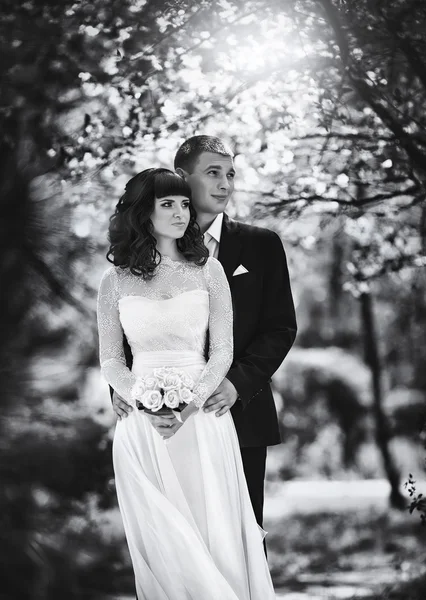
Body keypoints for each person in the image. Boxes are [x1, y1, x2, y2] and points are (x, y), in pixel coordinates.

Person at [97, 168, 275, 599]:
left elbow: (223, 351)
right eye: (167, 204)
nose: (181, 212)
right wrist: (143, 401)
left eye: (182, 203)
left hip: (203, 421)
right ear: (143, 213)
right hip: (143, 430)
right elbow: (111, 358)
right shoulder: (114, 281)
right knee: (163, 545)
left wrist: (189, 405)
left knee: (213, 532)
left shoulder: (209, 271)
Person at [113, 135, 297, 530]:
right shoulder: (135, 258)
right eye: (213, 173)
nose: (225, 184)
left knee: (241, 536)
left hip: (237, 412)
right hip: (156, 418)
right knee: (171, 540)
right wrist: (125, 391)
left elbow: (280, 327)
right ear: (182, 177)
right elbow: (125, 332)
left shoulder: (262, 246)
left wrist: (237, 384)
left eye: (230, 174)